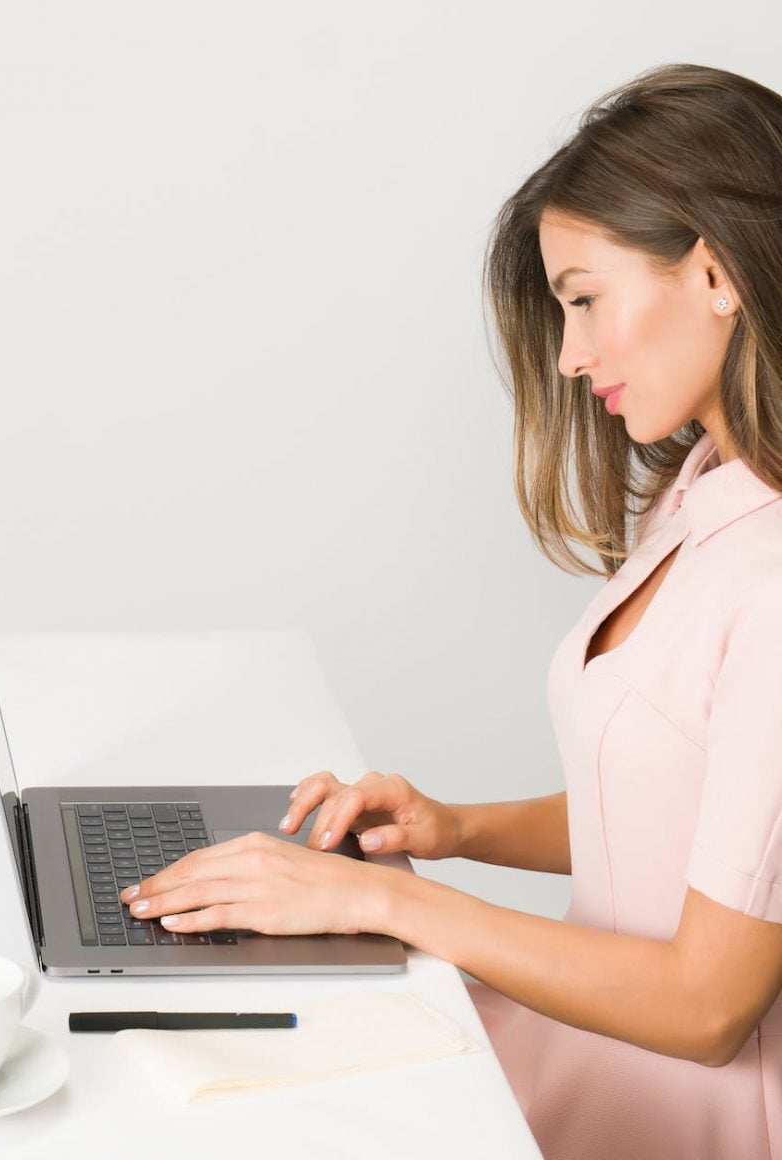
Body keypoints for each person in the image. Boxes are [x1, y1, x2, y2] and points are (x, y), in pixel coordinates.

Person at [119, 62, 782, 1159]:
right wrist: (451, 828)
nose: (568, 356)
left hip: (679, 1111)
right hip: (584, 1045)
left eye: (583, 299)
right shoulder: (703, 490)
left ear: (714, 272)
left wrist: (383, 903)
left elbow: (707, 1008)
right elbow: (687, 816)